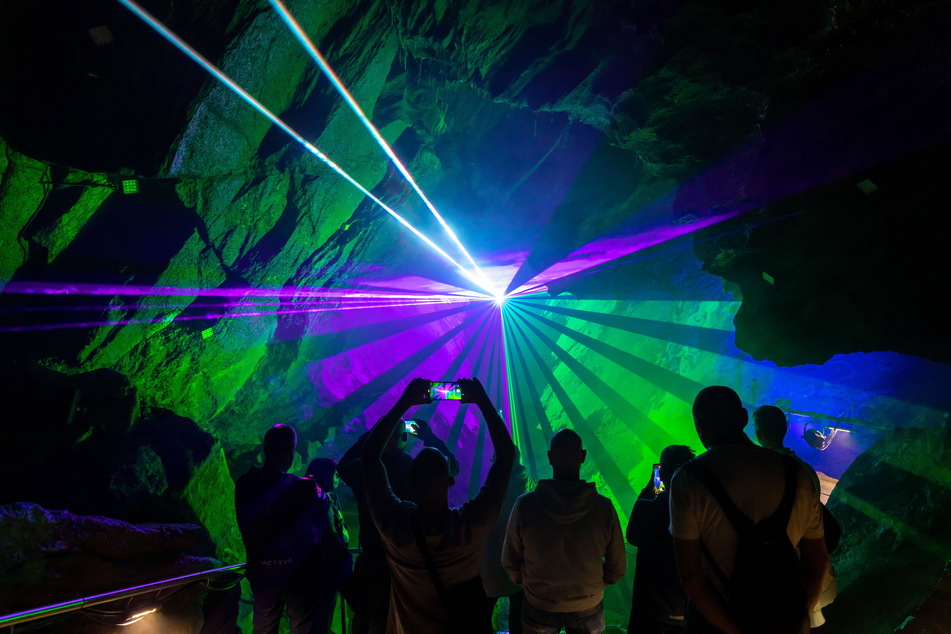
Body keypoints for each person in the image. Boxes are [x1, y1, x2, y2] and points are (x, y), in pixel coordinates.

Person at [360, 377, 515, 634]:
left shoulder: (395, 526)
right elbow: (506, 456)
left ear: (411, 483)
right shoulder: (471, 525)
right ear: (451, 481)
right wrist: (481, 400)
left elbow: (369, 456)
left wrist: (404, 402)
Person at [669, 386, 827, 634]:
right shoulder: (795, 472)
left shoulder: (687, 480)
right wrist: (796, 618)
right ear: (744, 418)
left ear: (699, 427)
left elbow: (691, 579)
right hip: (788, 622)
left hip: (722, 621)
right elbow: (817, 559)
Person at [337, 414, 460, 633]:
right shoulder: (413, 471)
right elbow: (451, 468)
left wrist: (376, 432)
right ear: (404, 437)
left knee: (371, 618)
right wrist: (430, 438)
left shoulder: (364, 470)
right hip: (411, 562)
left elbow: (343, 464)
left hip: (373, 560)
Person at [502, 428, 626, 634]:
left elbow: (509, 560)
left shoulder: (525, 505)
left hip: (539, 604)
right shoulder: (603, 508)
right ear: (583, 457)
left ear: (550, 457)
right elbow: (618, 567)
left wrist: (531, 584)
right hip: (588, 604)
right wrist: (593, 585)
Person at [234, 424, 330, 634]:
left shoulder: (244, 483)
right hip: (297, 574)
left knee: (263, 625)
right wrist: (317, 489)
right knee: (303, 626)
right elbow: (323, 506)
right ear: (289, 452)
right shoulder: (302, 487)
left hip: (261, 571)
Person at [627, 445, 696, 633]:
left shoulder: (646, 508)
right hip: (689, 611)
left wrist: (651, 486)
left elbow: (632, 536)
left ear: (662, 473)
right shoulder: (702, 510)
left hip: (650, 612)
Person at [481, 447, 533, 634]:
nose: (491, 463)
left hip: (492, 563)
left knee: (483, 614)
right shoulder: (528, 486)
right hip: (519, 562)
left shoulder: (493, 489)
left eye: (494, 459)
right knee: (518, 617)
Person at [305, 458, 353, 634]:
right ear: (325, 475)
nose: (338, 479)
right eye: (335, 474)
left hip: (329, 570)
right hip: (322, 571)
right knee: (320, 618)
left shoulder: (330, 498)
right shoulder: (316, 502)